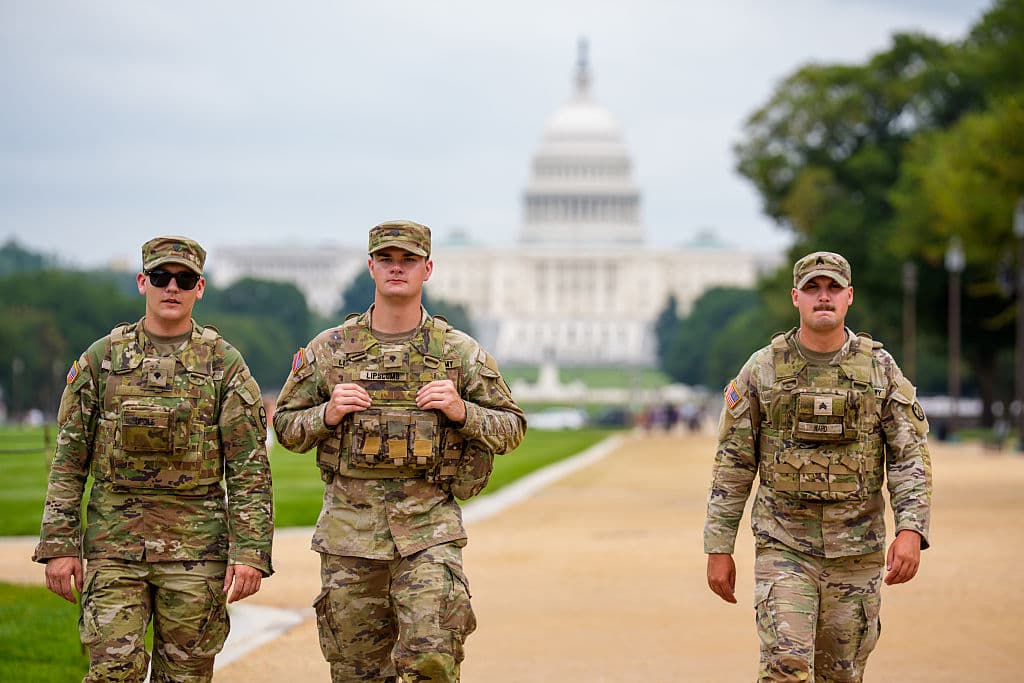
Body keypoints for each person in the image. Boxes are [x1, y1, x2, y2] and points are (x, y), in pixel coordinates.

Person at [273, 219, 526, 683]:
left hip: (428, 535)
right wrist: (326, 415)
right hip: (350, 540)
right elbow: (285, 428)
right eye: (386, 259)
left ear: (427, 269)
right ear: (370, 267)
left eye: (408, 259)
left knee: (432, 663)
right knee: (356, 672)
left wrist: (462, 411)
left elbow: (512, 428)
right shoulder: (330, 351)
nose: (397, 268)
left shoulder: (459, 353)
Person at [34, 236, 274, 682]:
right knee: (113, 672)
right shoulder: (102, 359)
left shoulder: (224, 364)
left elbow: (248, 469)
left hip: (195, 551)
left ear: (199, 288)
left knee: (186, 675)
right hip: (114, 547)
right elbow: (69, 460)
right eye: (161, 277)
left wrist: (251, 552)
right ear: (143, 281)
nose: (172, 288)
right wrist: (59, 544)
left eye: (184, 280)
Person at [703, 251, 932, 682]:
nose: (822, 297)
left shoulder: (880, 369)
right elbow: (733, 462)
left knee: (840, 676)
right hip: (784, 547)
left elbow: (908, 456)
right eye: (812, 288)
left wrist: (911, 530)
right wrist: (719, 546)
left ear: (849, 297)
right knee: (784, 667)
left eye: (831, 288)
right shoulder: (763, 369)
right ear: (795, 298)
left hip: (857, 552)